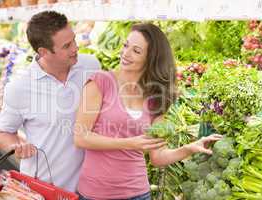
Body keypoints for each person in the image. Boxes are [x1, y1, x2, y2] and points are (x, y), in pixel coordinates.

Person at [74, 23, 222, 200]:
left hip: (138, 193)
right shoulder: (101, 82)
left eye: (136, 51)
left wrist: (188, 149)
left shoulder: (154, 96)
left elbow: (157, 156)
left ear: (151, 59)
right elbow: (80, 137)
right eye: (126, 45)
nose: (126, 53)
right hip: (96, 194)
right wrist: (130, 143)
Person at [0, 11, 101, 192]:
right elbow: (5, 132)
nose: (75, 48)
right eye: (67, 46)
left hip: (90, 189)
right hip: (45, 188)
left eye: (74, 40)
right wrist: (16, 146)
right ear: (43, 52)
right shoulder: (19, 88)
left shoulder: (91, 65)